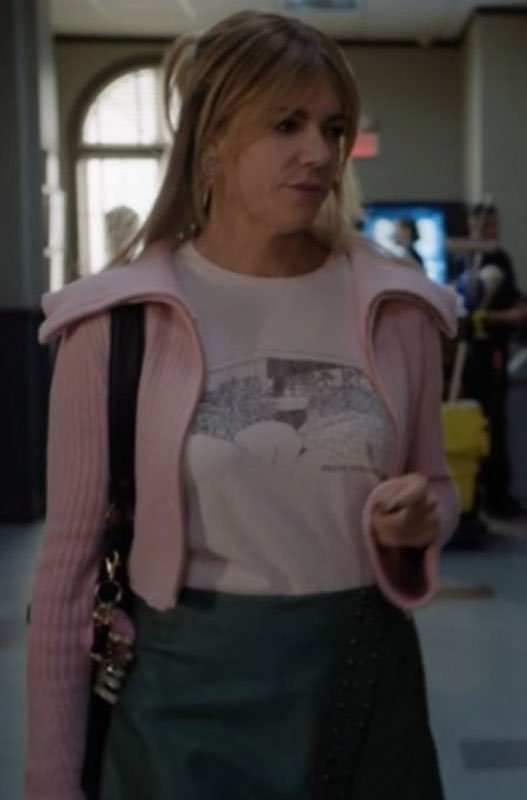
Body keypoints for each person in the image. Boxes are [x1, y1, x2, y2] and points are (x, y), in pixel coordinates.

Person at [25, 11, 458, 800]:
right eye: (285, 124)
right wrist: (51, 783)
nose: (319, 153)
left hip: (362, 680)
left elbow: (433, 483)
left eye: (333, 128)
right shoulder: (118, 322)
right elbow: (66, 579)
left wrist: (421, 520)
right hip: (187, 701)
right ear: (211, 142)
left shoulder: (398, 308)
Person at [453, 202, 527, 520]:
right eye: (483, 224)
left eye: (493, 224)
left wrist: (523, 308)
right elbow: (467, 308)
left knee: (497, 422)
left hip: (498, 350)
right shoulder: (469, 261)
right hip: (480, 352)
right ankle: (485, 496)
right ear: (472, 225)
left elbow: (510, 293)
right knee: (486, 422)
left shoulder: (499, 258)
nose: (490, 230)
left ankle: (497, 494)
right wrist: (509, 317)